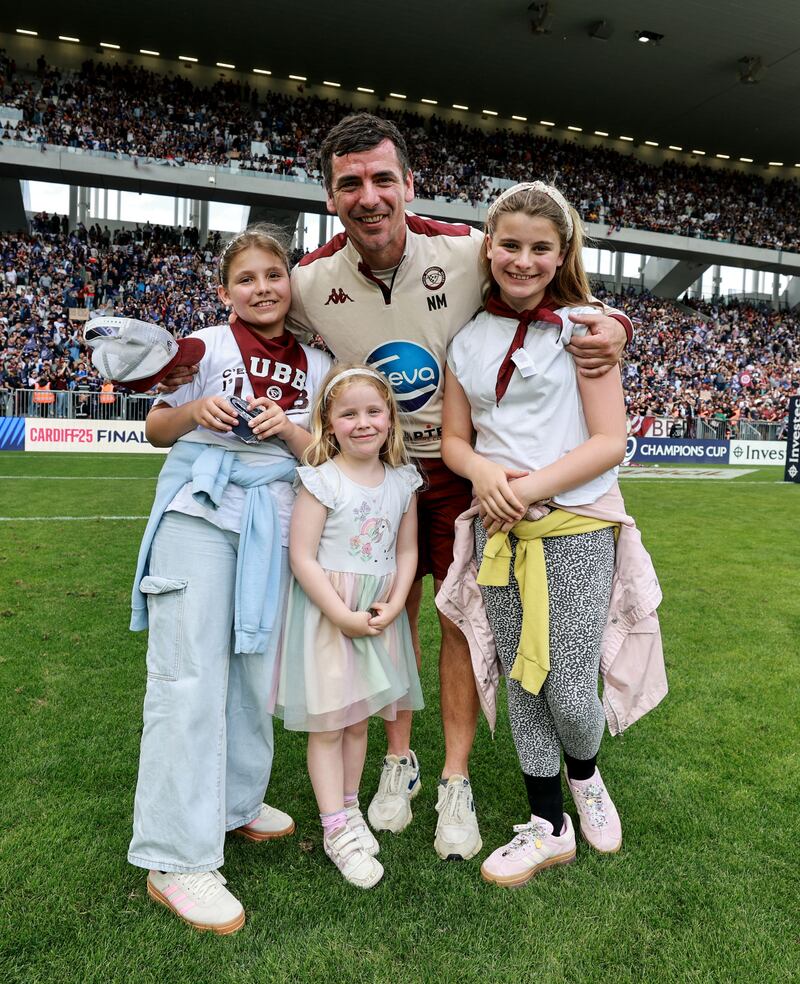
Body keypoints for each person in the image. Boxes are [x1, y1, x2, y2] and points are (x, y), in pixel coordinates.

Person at [165, 113, 632, 861]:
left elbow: (543, 273)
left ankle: (454, 782)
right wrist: (175, 374)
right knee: (382, 614)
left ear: (409, 184)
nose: (370, 196)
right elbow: (244, 322)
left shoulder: (468, 249)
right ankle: (397, 762)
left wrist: (614, 322)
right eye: (350, 183)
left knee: (453, 621)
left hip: (458, 474)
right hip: (371, 475)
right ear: (330, 197)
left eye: (384, 179)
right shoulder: (310, 279)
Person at [441, 182, 660, 886]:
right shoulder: (469, 337)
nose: (524, 260)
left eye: (541, 247)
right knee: (521, 681)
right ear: (488, 245)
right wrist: (483, 476)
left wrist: (522, 490)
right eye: (510, 244)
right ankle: (546, 824)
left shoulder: (589, 328)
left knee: (568, 687)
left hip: (574, 526)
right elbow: (453, 438)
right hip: (499, 532)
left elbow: (610, 441)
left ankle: (587, 777)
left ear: (563, 251)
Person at [124, 225, 332, 933]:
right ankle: (175, 856)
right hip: (202, 510)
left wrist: (290, 432)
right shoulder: (205, 347)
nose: (263, 287)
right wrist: (192, 412)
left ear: (290, 283)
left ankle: (236, 804)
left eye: (274, 274)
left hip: (274, 518)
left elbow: (329, 453)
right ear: (225, 292)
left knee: (255, 673)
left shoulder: (321, 360)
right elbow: (156, 428)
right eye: (246, 278)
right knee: (188, 678)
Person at [273, 364, 424, 888]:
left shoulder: (404, 480)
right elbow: (302, 556)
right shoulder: (322, 478)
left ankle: (350, 806)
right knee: (330, 723)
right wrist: (340, 614)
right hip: (331, 614)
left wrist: (397, 599)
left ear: (390, 418)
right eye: (349, 413)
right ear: (328, 422)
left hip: (378, 612)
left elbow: (407, 549)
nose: (363, 423)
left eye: (373, 411)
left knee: (360, 719)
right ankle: (335, 827)